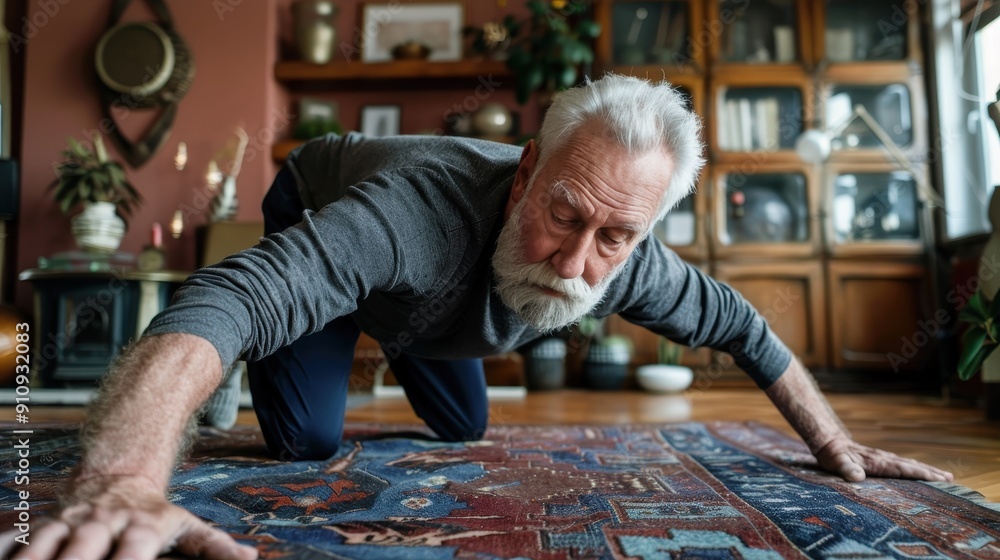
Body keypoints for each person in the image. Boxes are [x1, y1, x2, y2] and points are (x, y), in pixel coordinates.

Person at [3, 75, 952, 560]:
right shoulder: (408, 219)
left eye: (615, 238)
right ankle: (348, 321)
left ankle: (401, 329)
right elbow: (224, 295)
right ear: (527, 170)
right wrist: (122, 475)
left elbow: (747, 328)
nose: (580, 265)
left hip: (432, 286)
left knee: (465, 426)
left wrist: (840, 446)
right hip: (329, 199)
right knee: (306, 439)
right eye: (563, 216)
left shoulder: (627, 258)